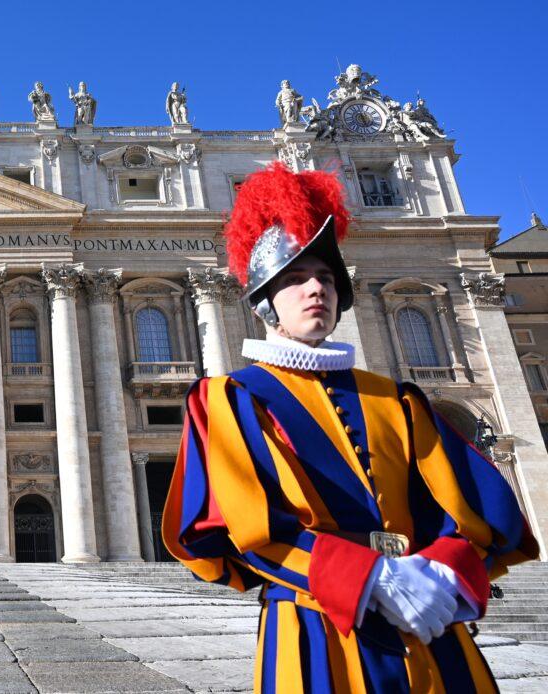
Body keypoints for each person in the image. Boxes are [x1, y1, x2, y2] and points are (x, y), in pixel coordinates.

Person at [163, 162, 537, 691]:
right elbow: (241, 526)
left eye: (327, 278)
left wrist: (439, 572)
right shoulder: (229, 399)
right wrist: (366, 577)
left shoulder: (398, 399)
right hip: (317, 628)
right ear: (266, 303)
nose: (316, 288)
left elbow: (471, 510)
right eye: (295, 279)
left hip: (431, 625)